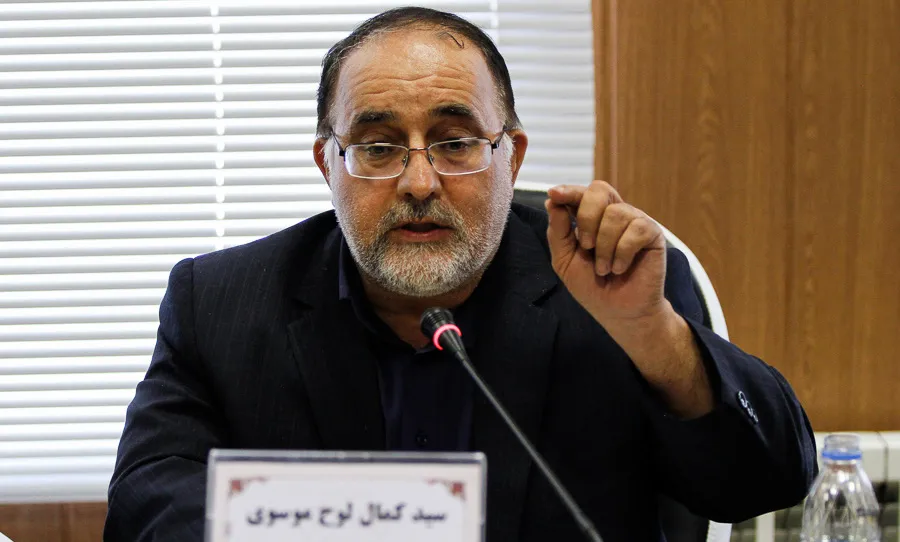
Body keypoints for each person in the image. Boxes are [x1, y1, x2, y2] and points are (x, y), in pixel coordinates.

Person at [105, 7, 816, 541]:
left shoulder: (610, 283)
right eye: (378, 147)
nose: (419, 182)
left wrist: (654, 336)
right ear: (329, 165)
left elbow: (771, 479)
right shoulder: (220, 302)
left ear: (512, 157)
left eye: (455, 143)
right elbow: (145, 505)